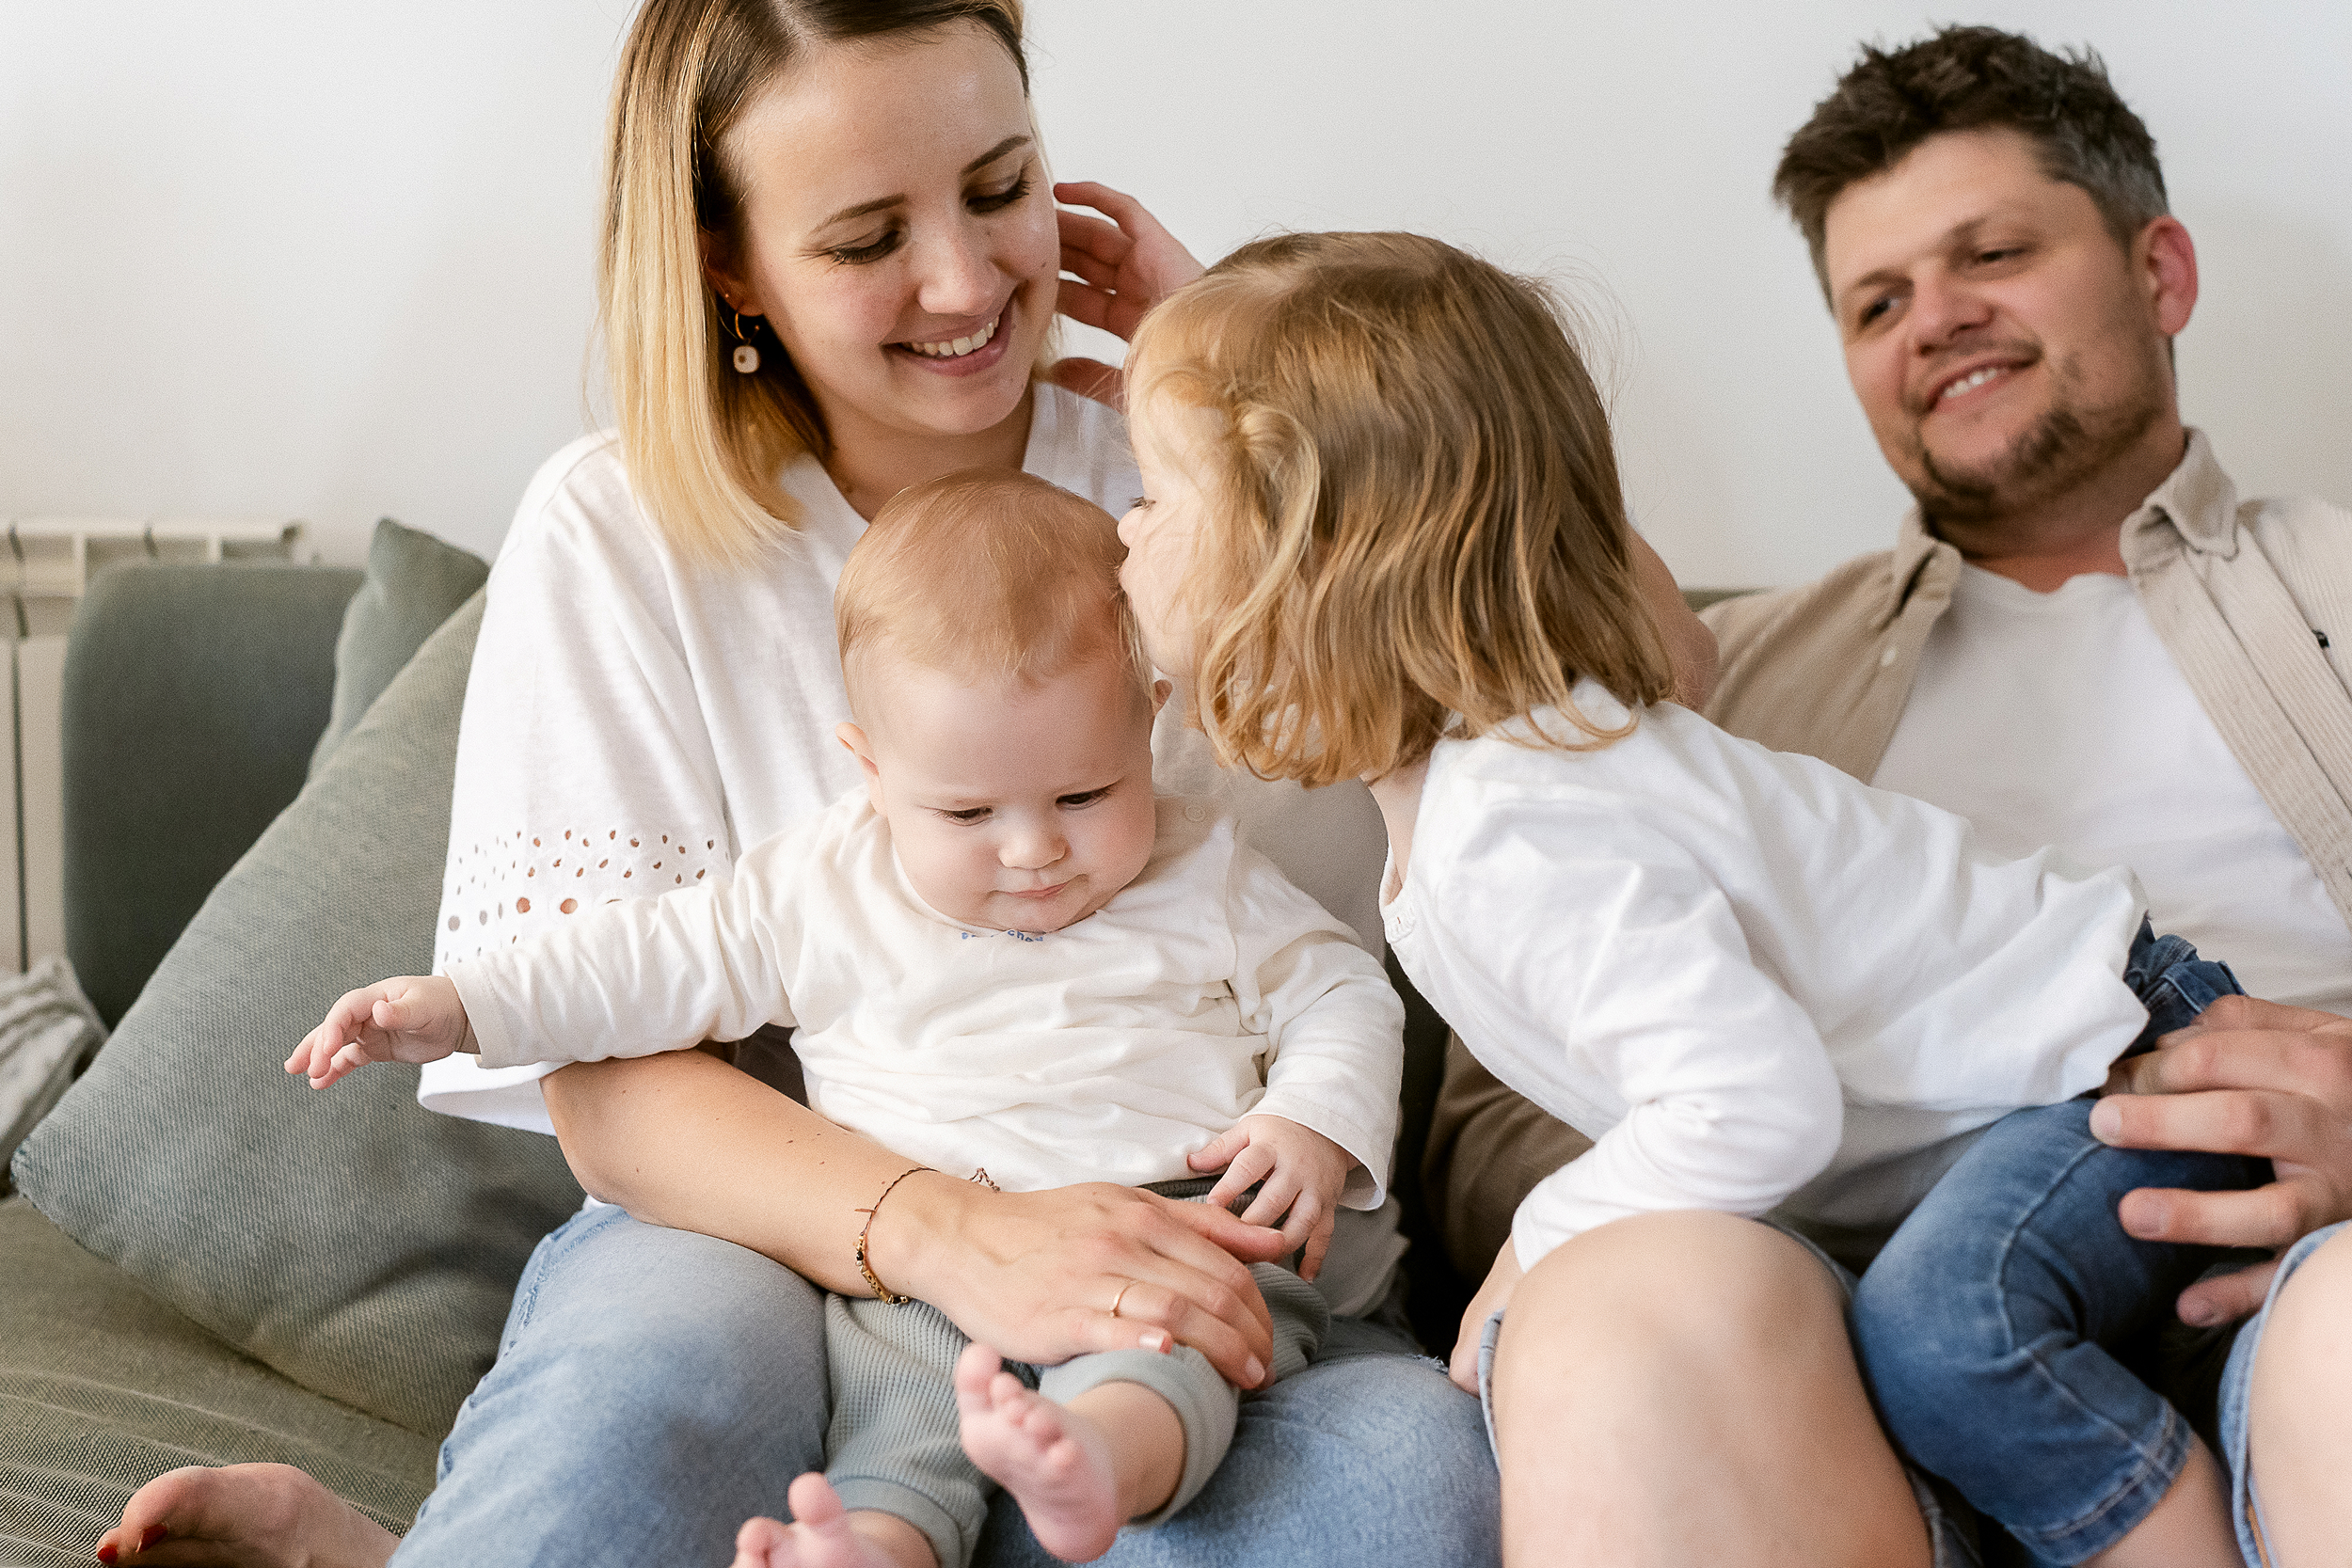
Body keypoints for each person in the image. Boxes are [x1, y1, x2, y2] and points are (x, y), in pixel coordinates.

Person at [96, 5, 1517, 1565]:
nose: (970, 283)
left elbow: (1627, 675)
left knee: (1400, 1489)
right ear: (729, 262)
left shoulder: (1204, 465)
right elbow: (612, 1054)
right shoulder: (625, 528)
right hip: (779, 1222)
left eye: (1000, 186)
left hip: (1199, 1237)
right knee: (656, 1397)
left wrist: (1276, 382)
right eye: (863, 239)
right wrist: (957, 1234)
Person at [1106, 227, 2299, 1568]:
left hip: (2107, 1049)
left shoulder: (1532, 823)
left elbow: (1755, 1101)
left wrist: (1538, 1243)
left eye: (1156, 493)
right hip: (2030, 1091)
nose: (1127, 529)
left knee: (1954, 1330)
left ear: (1299, 547)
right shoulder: (1496, 786)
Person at [1424, 24, 2352, 1567]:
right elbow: (1497, 1112)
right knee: (1624, 1310)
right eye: (1878, 300)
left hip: (2303, 1261)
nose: (1938, 320)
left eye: (1993, 251)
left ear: (2160, 273)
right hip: (1847, 1349)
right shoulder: (1717, 677)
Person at [286, 471, 1406, 1568]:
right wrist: (463, 1004)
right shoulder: (821, 885)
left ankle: (1091, 1463)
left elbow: (1340, 986)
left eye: (1083, 795)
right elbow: (643, 961)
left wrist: (1310, 1117)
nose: (1032, 849)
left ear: (1147, 726)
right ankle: (873, 1540)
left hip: (1171, 1220)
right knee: (895, 1413)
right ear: (870, 769)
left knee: (1169, 1361)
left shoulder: (1202, 863)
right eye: (966, 810)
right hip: (918, 1250)